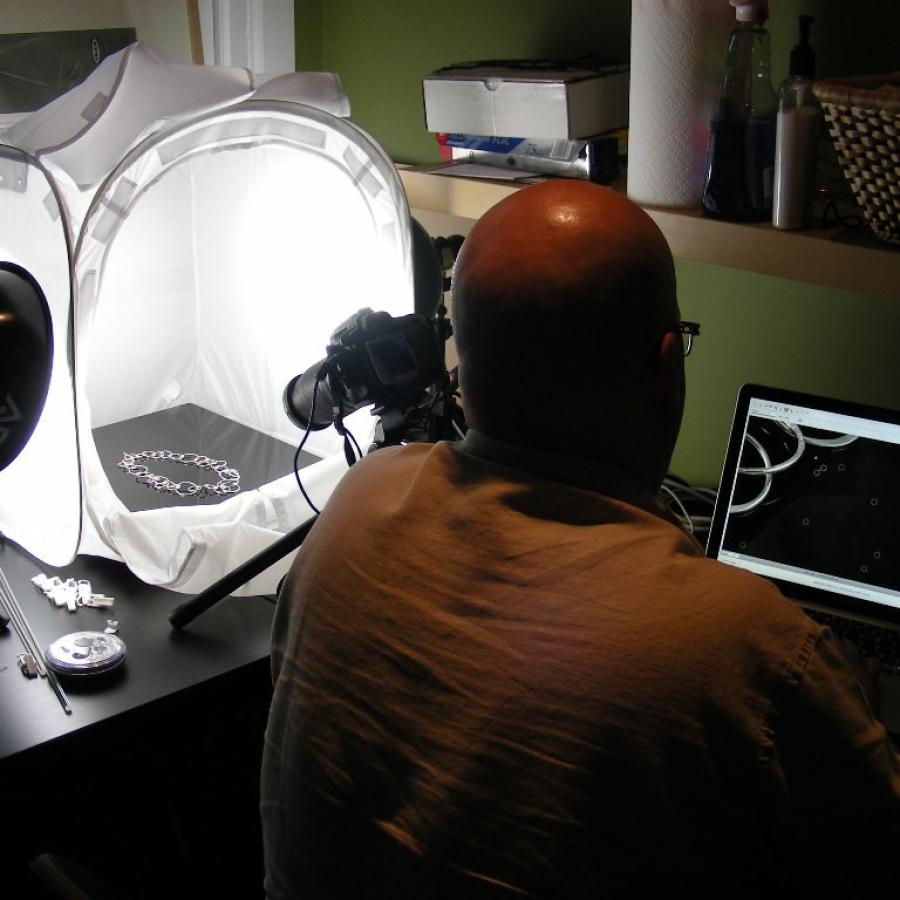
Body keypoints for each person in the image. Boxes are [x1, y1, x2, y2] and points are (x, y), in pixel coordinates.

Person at [261, 180, 900, 899]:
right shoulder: (755, 654)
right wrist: (853, 725)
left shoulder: (358, 500)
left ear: (461, 365)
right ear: (666, 366)